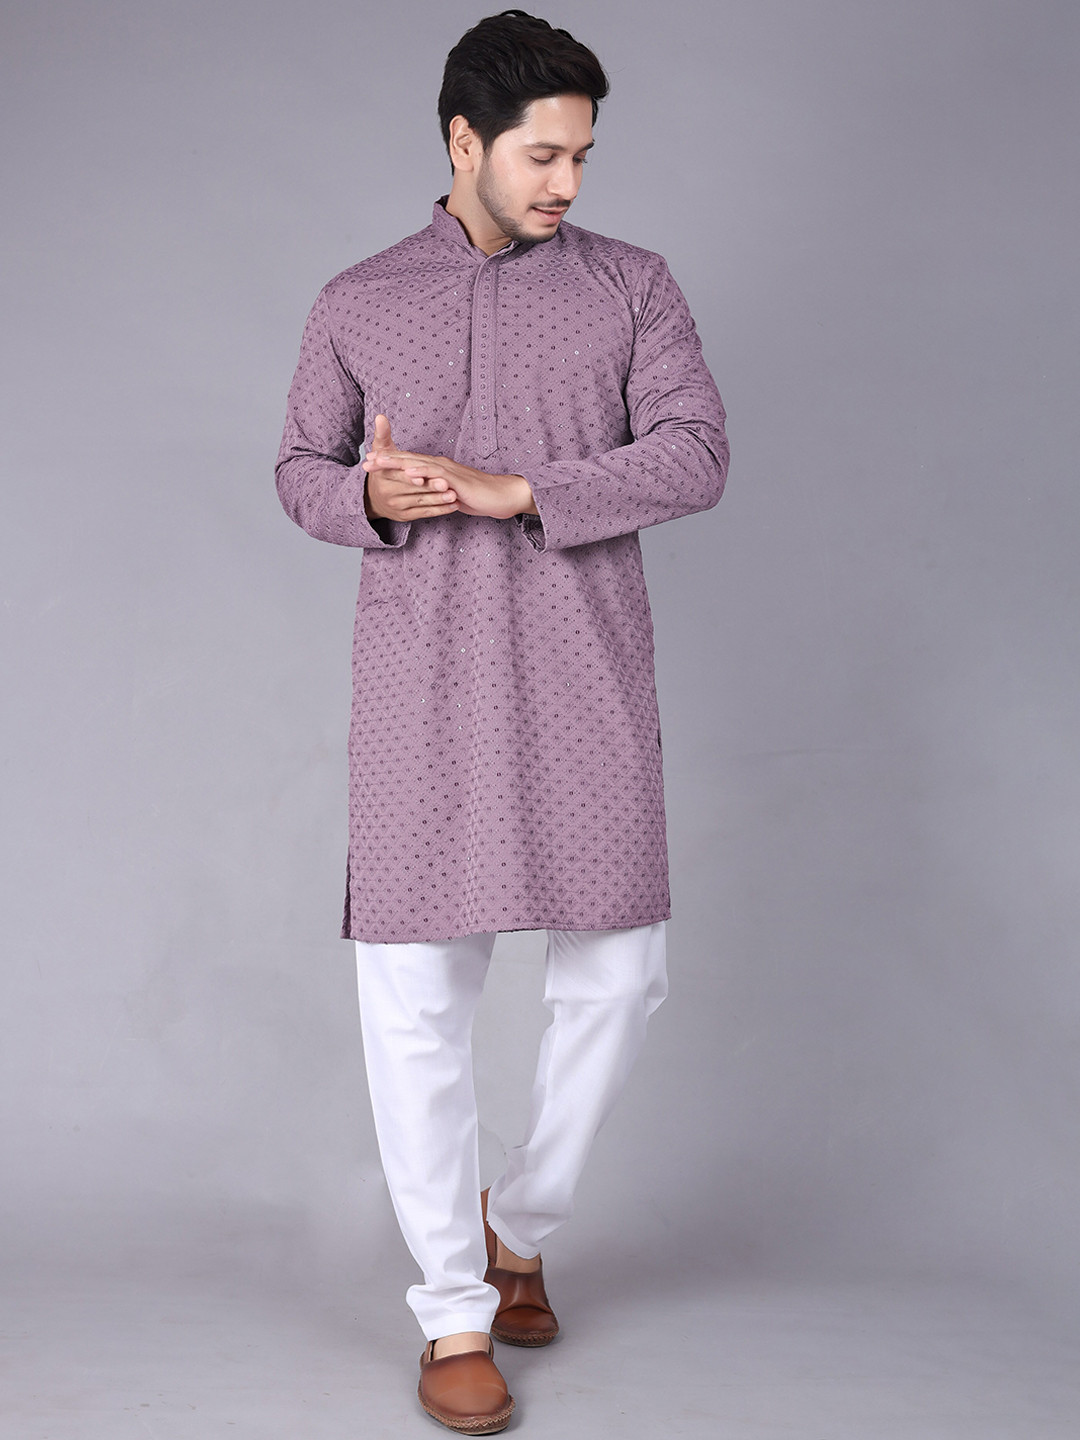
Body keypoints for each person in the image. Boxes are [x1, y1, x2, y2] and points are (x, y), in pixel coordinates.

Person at [275, 9, 728, 1432]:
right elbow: (296, 466)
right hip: (421, 687)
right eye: (543, 154)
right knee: (417, 1002)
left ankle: (518, 1222)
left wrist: (520, 489)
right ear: (464, 141)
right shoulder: (358, 299)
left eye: (583, 155)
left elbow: (697, 453)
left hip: (588, 674)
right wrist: (362, 495)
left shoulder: (633, 287)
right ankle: (453, 1310)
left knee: (621, 976)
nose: (567, 183)